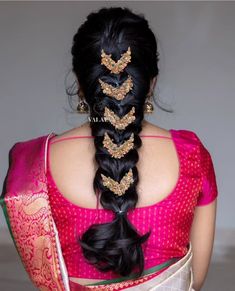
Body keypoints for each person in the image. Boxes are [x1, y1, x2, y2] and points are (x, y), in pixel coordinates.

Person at [0, 6, 218, 291]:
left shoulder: (34, 164)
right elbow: (195, 281)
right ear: (150, 85)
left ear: (80, 86)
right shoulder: (191, 156)